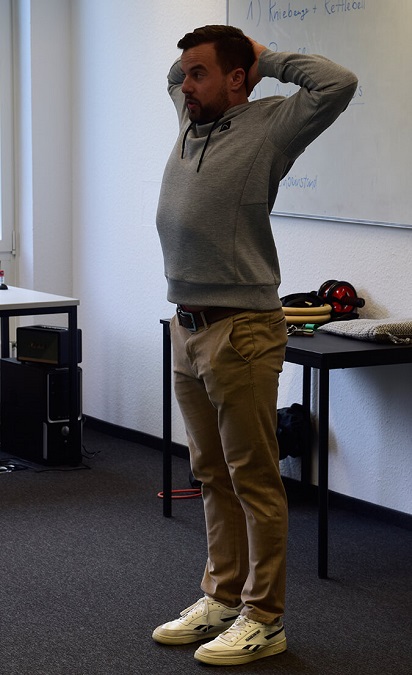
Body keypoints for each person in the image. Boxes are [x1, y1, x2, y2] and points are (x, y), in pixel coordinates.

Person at [153, 25, 357, 667]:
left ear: (238, 79)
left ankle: (265, 618)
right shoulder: (190, 120)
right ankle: (222, 597)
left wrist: (264, 57)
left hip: (241, 328)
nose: (185, 84)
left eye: (201, 73)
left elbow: (338, 83)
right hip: (186, 325)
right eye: (186, 74)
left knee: (253, 479)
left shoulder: (270, 127)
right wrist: (201, 62)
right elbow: (174, 76)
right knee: (211, 472)